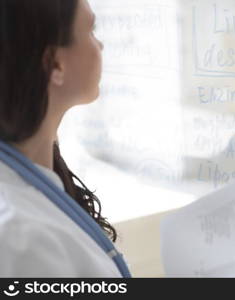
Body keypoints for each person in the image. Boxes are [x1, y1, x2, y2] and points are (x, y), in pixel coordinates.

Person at [0, 0, 130, 277]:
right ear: (55, 63)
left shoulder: (34, 178)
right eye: (91, 30)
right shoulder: (19, 236)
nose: (100, 46)